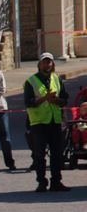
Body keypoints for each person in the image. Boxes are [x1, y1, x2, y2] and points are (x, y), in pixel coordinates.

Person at [24, 52, 71, 192]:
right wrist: (44, 98)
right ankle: (41, 183)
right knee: (39, 155)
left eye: (49, 62)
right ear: (39, 64)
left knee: (57, 154)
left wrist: (55, 100)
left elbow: (64, 100)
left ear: (53, 64)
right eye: (44, 62)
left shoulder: (57, 79)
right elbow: (28, 102)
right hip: (38, 123)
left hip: (55, 121)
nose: (47, 64)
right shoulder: (31, 81)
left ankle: (56, 182)